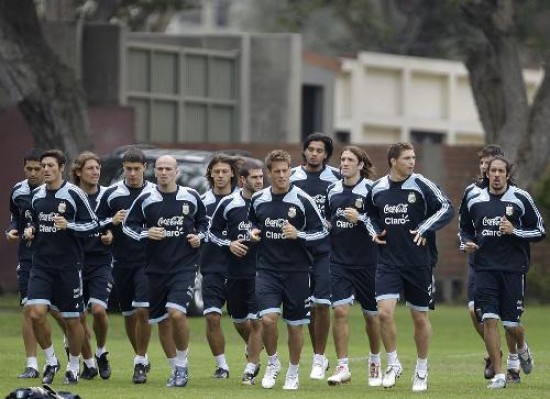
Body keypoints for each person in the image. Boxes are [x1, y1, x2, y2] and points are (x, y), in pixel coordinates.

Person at [365, 142, 453, 392]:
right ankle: (393, 364)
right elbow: (369, 215)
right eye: (407, 158)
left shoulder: (422, 184)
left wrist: (425, 228)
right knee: (383, 313)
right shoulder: (378, 188)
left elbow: (447, 207)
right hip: (387, 262)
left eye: (413, 157)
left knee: (419, 317)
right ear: (393, 161)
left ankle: (422, 369)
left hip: (418, 262)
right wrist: (374, 232)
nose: (412, 162)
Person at [459, 156, 545, 389]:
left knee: (511, 325)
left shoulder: (520, 197)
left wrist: (515, 231)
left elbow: (539, 230)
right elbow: (464, 228)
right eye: (492, 171)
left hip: (512, 270)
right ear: (486, 173)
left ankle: (523, 346)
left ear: (507, 174)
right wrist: (465, 243)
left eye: (500, 171)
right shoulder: (473, 197)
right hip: (484, 268)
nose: (496, 175)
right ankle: (499, 375)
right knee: (488, 319)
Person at [123, 155, 208, 388]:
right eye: (159, 168)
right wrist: (145, 233)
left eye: (168, 168)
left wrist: (198, 237)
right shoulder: (146, 198)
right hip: (154, 269)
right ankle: (176, 370)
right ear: (154, 171)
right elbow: (128, 226)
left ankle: (182, 365)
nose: (163, 172)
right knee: (161, 321)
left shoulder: (190, 196)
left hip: (184, 266)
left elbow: (205, 224)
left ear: (176, 171)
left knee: (176, 314)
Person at [248, 149, 328, 390]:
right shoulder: (258, 199)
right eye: (277, 172)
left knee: (295, 326)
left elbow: (322, 231)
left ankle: (293, 372)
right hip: (267, 270)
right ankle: (273, 364)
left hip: (297, 272)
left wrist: (299, 234)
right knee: (269, 320)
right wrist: (252, 233)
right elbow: (253, 223)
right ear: (269, 173)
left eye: (286, 171)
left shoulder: (303, 200)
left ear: (290, 171)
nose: (282, 176)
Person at [23, 149, 99, 385]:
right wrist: (30, 232)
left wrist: (70, 226)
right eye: (42, 166)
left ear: (61, 168)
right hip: (41, 265)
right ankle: (51, 360)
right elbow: (34, 223)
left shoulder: (74, 194)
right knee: (35, 314)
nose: (45, 170)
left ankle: (74, 366)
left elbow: (93, 226)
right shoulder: (36, 196)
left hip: (68, 266)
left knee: (72, 319)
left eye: (49, 166)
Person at [458, 144, 521, 382]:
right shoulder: (471, 192)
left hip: (507, 265)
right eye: (483, 163)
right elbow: (462, 225)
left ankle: (514, 359)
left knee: (509, 320)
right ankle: (493, 354)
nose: (486, 168)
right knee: (477, 312)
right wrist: (466, 243)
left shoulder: (512, 194)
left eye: (491, 164)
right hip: (479, 263)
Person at [96, 146, 154, 383]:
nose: (132, 173)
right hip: (121, 262)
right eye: (128, 169)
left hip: (147, 262)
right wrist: (109, 226)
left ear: (145, 169)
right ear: (123, 169)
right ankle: (142, 355)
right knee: (129, 315)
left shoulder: (153, 193)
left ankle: (139, 363)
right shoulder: (111, 194)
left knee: (143, 310)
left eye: (136, 169)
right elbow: (97, 222)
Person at [324, 146, 381, 387]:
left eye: (350, 160)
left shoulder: (372, 190)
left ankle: (375, 361)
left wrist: (361, 219)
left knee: (371, 316)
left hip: (369, 262)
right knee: (339, 311)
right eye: (342, 159)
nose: (344, 163)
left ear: (360, 165)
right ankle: (343, 366)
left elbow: (380, 224)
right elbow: (328, 220)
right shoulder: (332, 190)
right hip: (338, 262)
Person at [208, 160, 265, 385]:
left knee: (258, 321)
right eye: (254, 177)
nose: (259, 181)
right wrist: (229, 244)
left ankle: (251, 369)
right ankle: (257, 348)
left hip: (261, 271)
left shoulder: (269, 202)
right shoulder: (229, 204)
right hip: (235, 272)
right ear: (242, 180)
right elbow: (211, 233)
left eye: (261, 177)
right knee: (240, 321)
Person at [289, 133, 340, 380]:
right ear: (304, 151)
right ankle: (316, 356)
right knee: (303, 308)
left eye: (319, 150)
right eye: (310, 149)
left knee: (322, 304)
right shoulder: (291, 177)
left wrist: (335, 222)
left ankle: (319, 359)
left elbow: (344, 205)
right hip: (296, 251)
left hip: (325, 251)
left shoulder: (337, 178)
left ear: (326, 154)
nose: (314, 154)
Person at [70, 152, 113, 380]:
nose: (95, 172)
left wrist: (109, 236)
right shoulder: (69, 195)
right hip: (75, 262)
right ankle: (87, 363)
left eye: (97, 168)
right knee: (77, 317)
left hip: (100, 262)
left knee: (98, 310)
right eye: (90, 168)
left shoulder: (107, 195)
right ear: (78, 172)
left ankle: (101, 351)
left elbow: (114, 226)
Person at [200, 153, 242, 378]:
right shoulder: (201, 202)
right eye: (216, 172)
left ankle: (252, 351)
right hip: (211, 267)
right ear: (210, 175)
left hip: (240, 270)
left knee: (242, 320)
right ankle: (222, 365)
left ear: (233, 174)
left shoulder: (243, 200)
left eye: (224, 171)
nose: (220, 175)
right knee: (212, 316)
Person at [6, 149, 44, 379]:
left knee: (63, 315)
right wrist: (12, 230)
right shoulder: (18, 191)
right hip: (29, 259)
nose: (32, 173)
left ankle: (76, 357)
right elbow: (15, 218)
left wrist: (37, 230)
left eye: (37, 169)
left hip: (57, 261)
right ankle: (32, 364)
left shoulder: (58, 192)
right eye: (28, 168)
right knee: (29, 310)